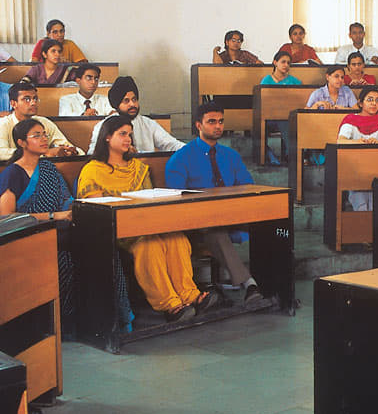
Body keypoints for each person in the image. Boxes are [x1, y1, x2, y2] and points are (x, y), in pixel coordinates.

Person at [77, 115, 219, 322]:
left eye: (130, 135)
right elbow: (97, 210)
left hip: (144, 223)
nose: (128, 139)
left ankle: (190, 295)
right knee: (149, 246)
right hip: (116, 229)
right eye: (122, 134)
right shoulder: (92, 170)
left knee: (176, 239)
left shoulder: (137, 168)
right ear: (107, 137)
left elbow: (148, 199)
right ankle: (169, 304)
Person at [165, 103, 267, 304]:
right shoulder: (181, 158)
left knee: (273, 226)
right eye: (211, 122)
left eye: (221, 121)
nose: (218, 126)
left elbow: (247, 186)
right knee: (215, 230)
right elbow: (176, 199)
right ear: (198, 125)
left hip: (231, 215)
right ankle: (249, 284)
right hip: (198, 222)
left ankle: (273, 283)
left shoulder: (230, 155)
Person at [0, 119, 76, 332]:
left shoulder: (48, 168)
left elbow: (66, 200)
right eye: (37, 135)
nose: (44, 139)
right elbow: (7, 217)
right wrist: (53, 216)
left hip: (58, 231)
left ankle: (70, 324)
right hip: (26, 237)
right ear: (21, 142)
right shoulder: (12, 173)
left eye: (44, 134)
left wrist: (69, 211)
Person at [337, 87, 378, 211]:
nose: (374, 103)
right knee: (362, 207)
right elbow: (340, 140)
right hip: (356, 171)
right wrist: (358, 142)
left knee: (376, 206)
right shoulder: (350, 119)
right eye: (370, 100)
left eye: (377, 100)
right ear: (360, 103)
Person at [88, 76, 184, 154]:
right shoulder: (103, 126)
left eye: (134, 99)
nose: (132, 104)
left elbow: (171, 145)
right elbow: (93, 154)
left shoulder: (148, 124)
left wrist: (190, 149)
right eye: (126, 101)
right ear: (117, 105)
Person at [0, 82, 82, 161]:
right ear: (13, 104)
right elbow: (2, 153)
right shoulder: (3, 124)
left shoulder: (44, 122)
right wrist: (43, 153)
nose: (33, 103)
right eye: (27, 99)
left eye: (35, 99)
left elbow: (65, 144)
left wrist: (71, 151)